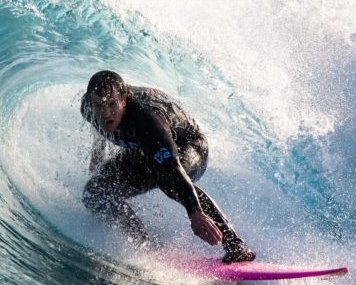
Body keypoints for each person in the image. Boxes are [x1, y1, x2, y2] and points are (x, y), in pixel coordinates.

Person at [80, 70, 255, 263]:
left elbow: (172, 167)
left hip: (189, 146)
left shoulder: (145, 121)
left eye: (112, 104)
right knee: (95, 192)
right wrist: (98, 154)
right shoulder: (89, 106)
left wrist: (195, 213)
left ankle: (235, 244)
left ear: (124, 100)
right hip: (145, 149)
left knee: (167, 179)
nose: (106, 113)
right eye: (99, 106)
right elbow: (97, 126)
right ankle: (143, 245)